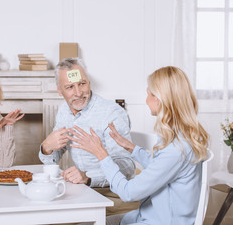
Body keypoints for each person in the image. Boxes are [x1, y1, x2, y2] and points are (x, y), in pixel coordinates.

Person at [69, 66, 209, 225]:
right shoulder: (180, 138)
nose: (146, 99)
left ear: (159, 99)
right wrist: (131, 148)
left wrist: (101, 154)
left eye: (148, 93)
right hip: (148, 216)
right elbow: (161, 169)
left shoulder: (177, 149)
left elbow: (128, 192)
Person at [38, 57, 137, 215]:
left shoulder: (111, 113)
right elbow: (53, 158)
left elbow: (127, 166)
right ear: (59, 90)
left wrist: (88, 177)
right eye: (70, 87)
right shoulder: (64, 111)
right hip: (83, 191)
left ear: (89, 82)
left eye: (82, 84)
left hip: (115, 193)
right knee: (42, 211)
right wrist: (46, 148)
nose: (78, 93)